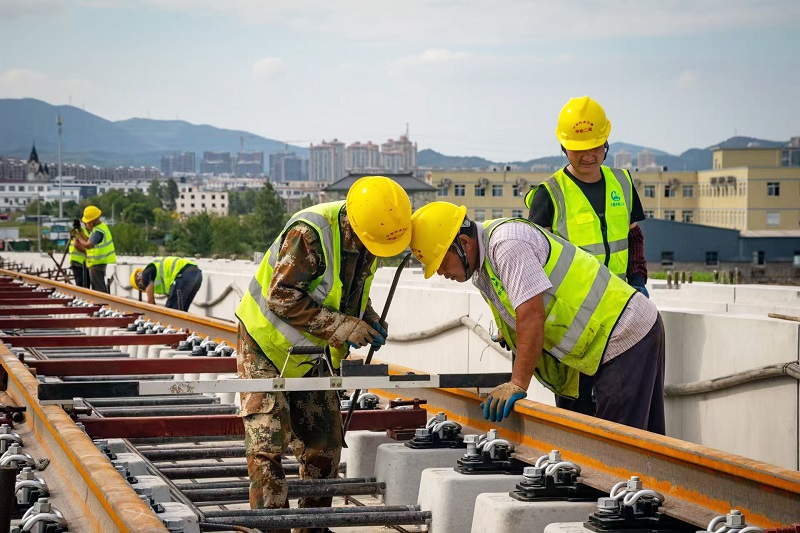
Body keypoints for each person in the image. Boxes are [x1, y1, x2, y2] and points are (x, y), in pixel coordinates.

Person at [234, 175, 412, 530]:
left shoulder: (369, 240)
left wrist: (367, 318)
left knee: (325, 446)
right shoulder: (310, 233)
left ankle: (312, 526)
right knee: (267, 443)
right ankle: (271, 527)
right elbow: (281, 296)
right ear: (355, 223)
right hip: (265, 346)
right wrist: (344, 327)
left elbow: (343, 293)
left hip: (311, 354)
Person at [410, 201, 665, 434]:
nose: (441, 272)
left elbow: (531, 314)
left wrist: (518, 383)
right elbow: (519, 307)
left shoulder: (506, 244)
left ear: (465, 243)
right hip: (601, 342)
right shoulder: (481, 267)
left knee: (622, 445)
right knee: (620, 443)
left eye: (442, 262)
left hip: (625, 332)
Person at [522, 96, 649, 417]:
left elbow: (634, 238)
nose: (589, 156)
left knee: (618, 404)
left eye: (595, 147)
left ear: (606, 144)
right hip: (573, 319)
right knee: (576, 406)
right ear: (564, 148)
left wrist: (638, 281)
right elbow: (530, 260)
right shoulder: (549, 194)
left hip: (620, 310)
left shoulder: (623, 182)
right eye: (579, 149)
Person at [130, 257, 203, 312]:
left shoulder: (146, 274)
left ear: (139, 281)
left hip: (183, 273)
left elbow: (150, 302)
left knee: (171, 312)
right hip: (197, 274)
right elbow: (171, 295)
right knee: (182, 310)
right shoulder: (154, 272)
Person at [72, 205, 116, 293]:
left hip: (97, 263)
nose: (86, 224)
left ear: (93, 221)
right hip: (96, 263)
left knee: (99, 290)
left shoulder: (98, 231)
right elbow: (88, 239)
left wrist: (78, 237)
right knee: (98, 288)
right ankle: (102, 300)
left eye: (87, 222)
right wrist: (80, 230)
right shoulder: (99, 228)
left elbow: (88, 245)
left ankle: (102, 301)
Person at [68, 219, 90, 288]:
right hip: (79, 262)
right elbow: (76, 245)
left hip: (81, 262)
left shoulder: (83, 231)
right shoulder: (81, 231)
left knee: (85, 285)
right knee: (82, 286)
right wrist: (89, 252)